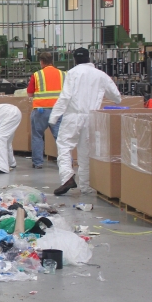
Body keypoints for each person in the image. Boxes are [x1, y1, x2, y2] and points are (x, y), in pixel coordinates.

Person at [50, 48, 121, 195]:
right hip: (91, 117)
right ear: (89, 58)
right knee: (85, 152)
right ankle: (87, 186)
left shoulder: (73, 73)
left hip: (73, 116)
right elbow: (117, 97)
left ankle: (67, 177)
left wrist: (54, 117)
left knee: (64, 146)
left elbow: (65, 97)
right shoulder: (101, 75)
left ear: (75, 59)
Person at [27, 52, 65, 169]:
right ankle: (64, 162)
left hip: (41, 110)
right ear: (52, 61)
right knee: (60, 137)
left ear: (41, 62)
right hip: (58, 110)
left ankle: (38, 163)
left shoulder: (37, 75)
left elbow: (29, 93)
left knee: (37, 136)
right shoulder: (63, 74)